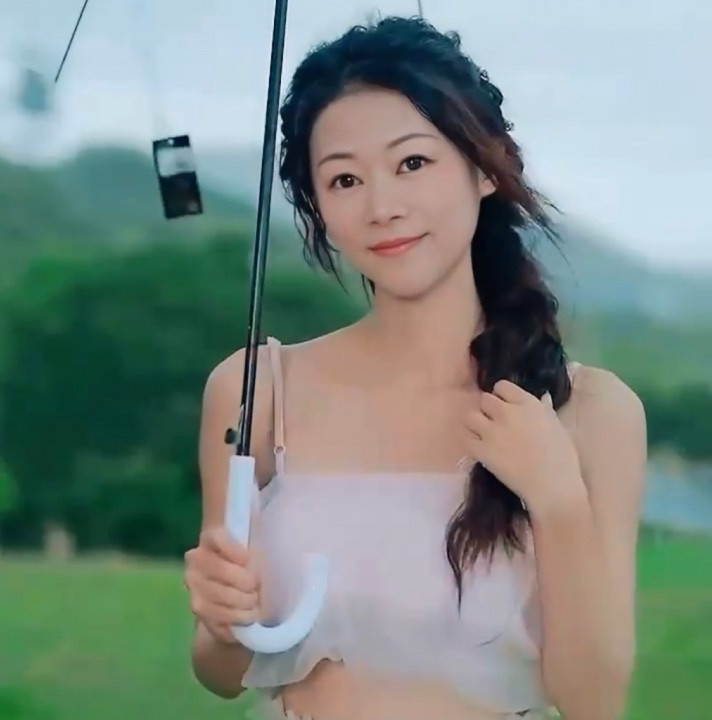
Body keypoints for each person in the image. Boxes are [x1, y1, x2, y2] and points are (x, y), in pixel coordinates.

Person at [183, 15, 647, 720]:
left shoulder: (590, 411)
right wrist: (221, 623)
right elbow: (222, 672)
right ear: (318, 207)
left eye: (412, 163)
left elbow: (594, 701)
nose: (383, 208)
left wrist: (557, 499)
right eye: (344, 179)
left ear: (484, 168)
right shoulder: (255, 390)